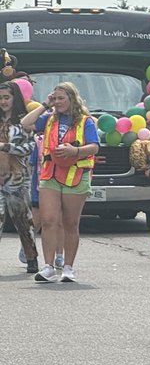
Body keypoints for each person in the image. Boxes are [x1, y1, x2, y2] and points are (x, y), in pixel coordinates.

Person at [21, 82, 99, 283]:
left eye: (60, 98)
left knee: (70, 223)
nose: (57, 102)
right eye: (54, 98)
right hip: (50, 175)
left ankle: (68, 268)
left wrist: (76, 151)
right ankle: (48, 267)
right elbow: (25, 123)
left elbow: (94, 147)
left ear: (72, 99)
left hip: (75, 175)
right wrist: (45, 105)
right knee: (48, 221)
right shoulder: (48, 119)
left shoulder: (85, 121)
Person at [0, 81, 38, 273]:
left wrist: (8, 147)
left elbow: (30, 147)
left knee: (23, 221)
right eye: (0, 98)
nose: (3, 101)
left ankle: (31, 258)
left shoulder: (24, 120)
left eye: (6, 97)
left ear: (15, 98)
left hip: (17, 178)